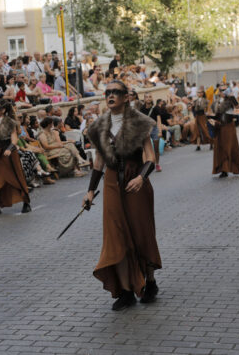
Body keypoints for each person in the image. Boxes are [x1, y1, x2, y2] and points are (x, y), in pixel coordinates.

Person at [83, 80, 161, 311]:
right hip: (110, 183)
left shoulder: (139, 123)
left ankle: (150, 282)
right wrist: (89, 191)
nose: (110, 96)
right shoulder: (98, 126)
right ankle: (126, 290)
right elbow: (98, 162)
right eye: (107, 92)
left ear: (126, 97)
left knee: (140, 232)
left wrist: (141, 178)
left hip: (136, 181)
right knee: (116, 236)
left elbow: (150, 157)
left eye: (116, 92)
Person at [0, 99, 31, 215]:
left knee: (16, 178)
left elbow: (14, 139)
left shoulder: (10, 122)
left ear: (3, 110)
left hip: (9, 154)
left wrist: (9, 149)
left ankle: (26, 202)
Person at [211, 95, 239, 178]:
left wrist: (232, 98)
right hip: (220, 126)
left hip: (229, 126)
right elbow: (216, 114)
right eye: (221, 88)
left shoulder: (230, 100)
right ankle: (224, 170)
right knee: (221, 148)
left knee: (233, 148)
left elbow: (237, 106)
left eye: (224, 89)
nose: (222, 91)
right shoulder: (217, 100)